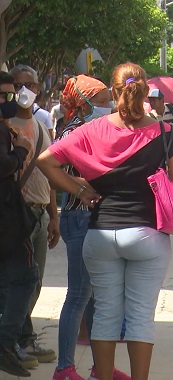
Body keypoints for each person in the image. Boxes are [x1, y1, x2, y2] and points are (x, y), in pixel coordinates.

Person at [36, 62, 173, 380]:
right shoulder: (164, 132)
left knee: (105, 317)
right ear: (146, 90)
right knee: (140, 317)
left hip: (99, 234)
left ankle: (101, 375)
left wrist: (79, 190)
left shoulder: (91, 130)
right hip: (147, 235)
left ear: (114, 91)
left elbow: (46, 161)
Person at [50, 75, 131, 380]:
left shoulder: (95, 128)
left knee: (96, 297)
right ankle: (64, 368)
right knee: (80, 294)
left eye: (107, 100)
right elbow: (53, 169)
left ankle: (102, 367)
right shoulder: (73, 131)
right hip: (79, 217)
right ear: (82, 104)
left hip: (94, 218)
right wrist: (90, 186)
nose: (107, 106)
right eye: (99, 102)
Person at [7, 63, 59, 366]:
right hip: (18, 215)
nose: (22, 91)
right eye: (16, 85)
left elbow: (49, 175)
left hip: (40, 214)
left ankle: (23, 338)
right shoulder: (7, 125)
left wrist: (54, 217)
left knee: (34, 281)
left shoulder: (40, 126)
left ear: (38, 89)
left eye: (28, 85)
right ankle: (16, 341)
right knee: (22, 280)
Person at [0, 70, 39, 378]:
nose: (9, 101)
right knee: (25, 277)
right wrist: (21, 149)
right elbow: (4, 166)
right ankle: (6, 342)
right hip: (8, 219)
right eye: (4, 96)